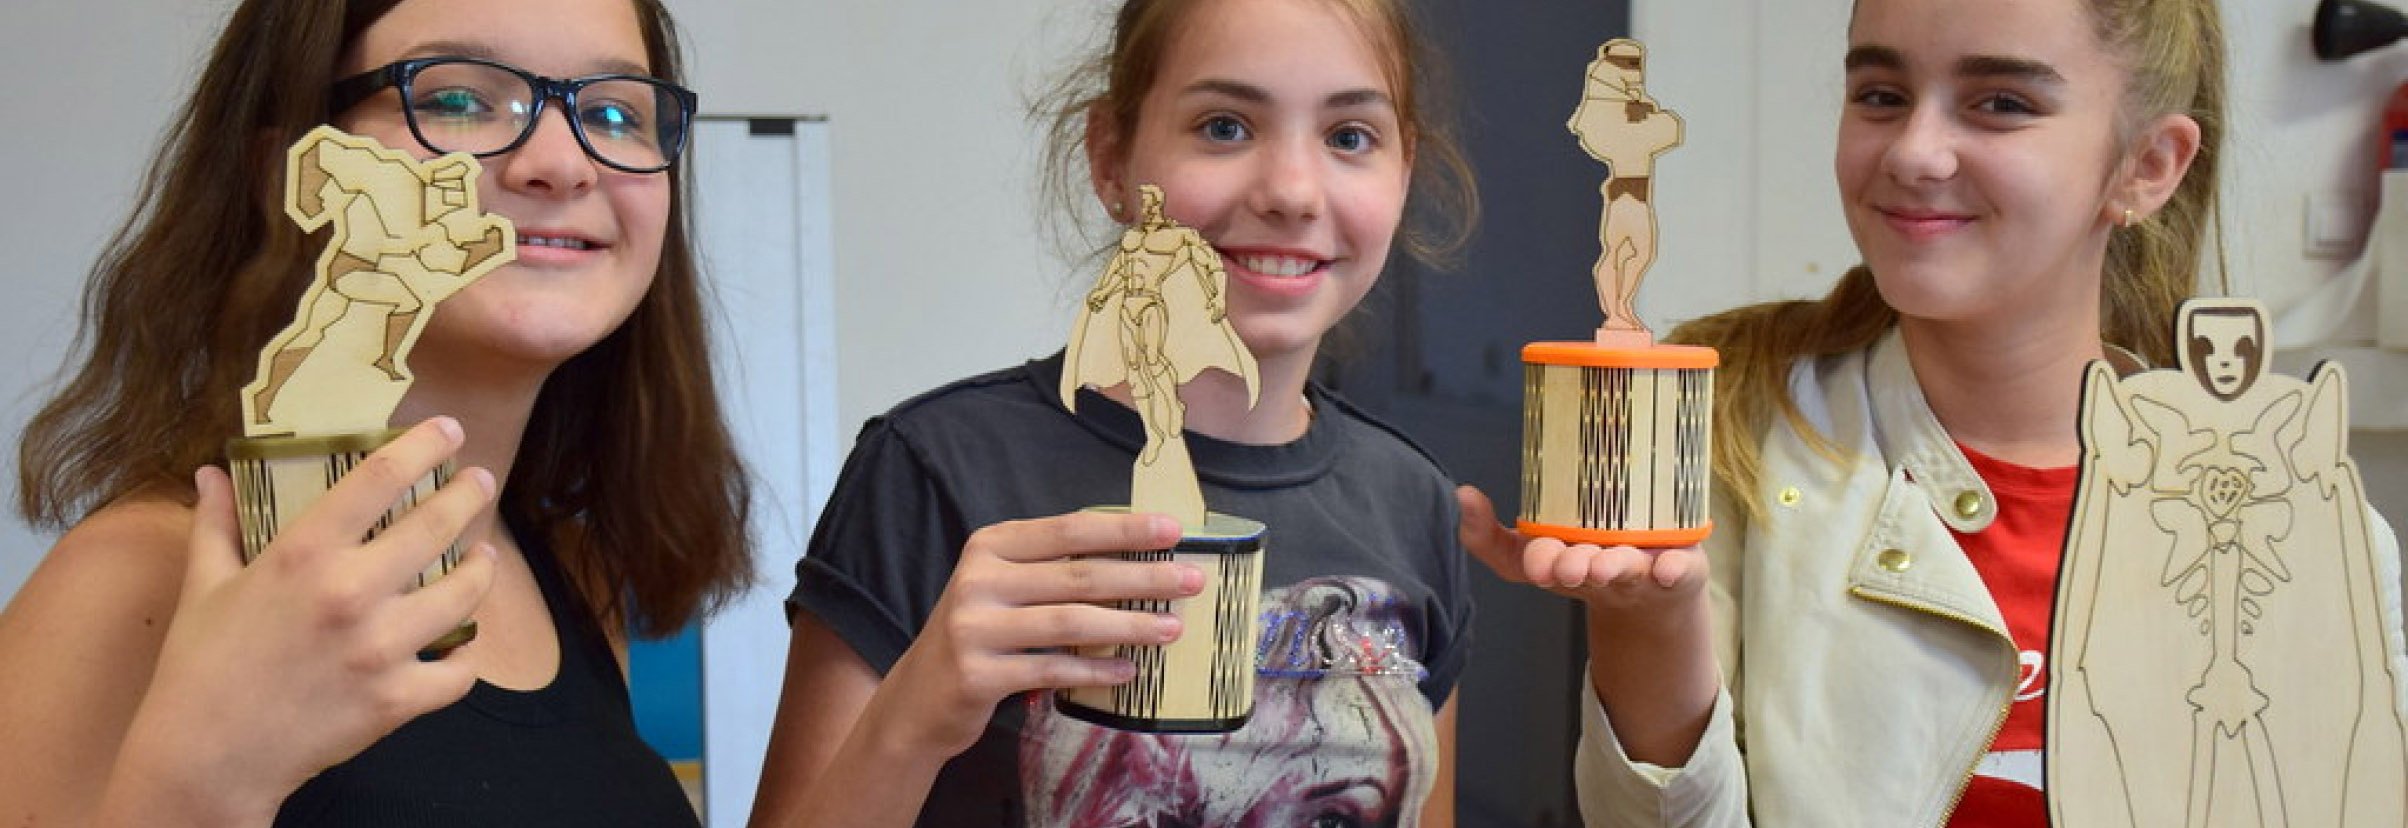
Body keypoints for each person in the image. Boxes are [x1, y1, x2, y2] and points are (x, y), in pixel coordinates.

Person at [1459, 0, 2398, 824]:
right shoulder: (1733, 436)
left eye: (2002, 103)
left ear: (2147, 167)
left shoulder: (2309, 529)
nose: (1913, 150)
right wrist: (1649, 625)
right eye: (1880, 95)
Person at [0, 0, 749, 824]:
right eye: (457, 100)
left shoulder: (573, 577)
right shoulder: (137, 580)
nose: (562, 163)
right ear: (281, 169)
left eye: (615, 113)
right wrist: (203, 783)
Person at [747, 0, 1479, 824]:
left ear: (1403, 171)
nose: (1293, 192)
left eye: (1350, 137)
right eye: (1225, 127)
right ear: (1110, 158)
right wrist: (915, 716)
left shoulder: (1413, 500)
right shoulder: (930, 469)